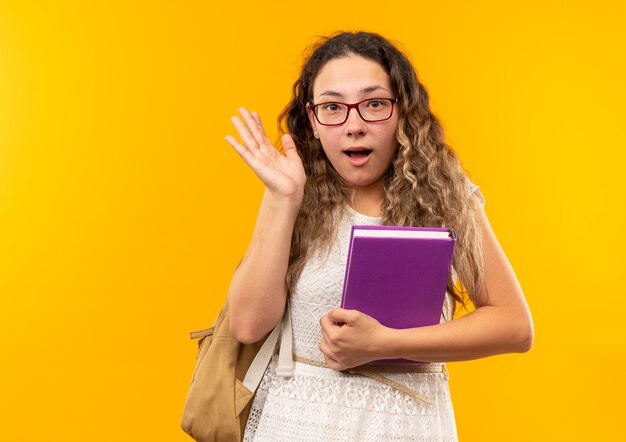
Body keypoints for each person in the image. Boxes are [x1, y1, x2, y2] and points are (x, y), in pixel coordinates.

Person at [224, 31, 533, 442]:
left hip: (406, 426)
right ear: (313, 121)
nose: (354, 126)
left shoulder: (444, 194)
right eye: (333, 107)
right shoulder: (291, 190)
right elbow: (247, 324)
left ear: (401, 112)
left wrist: (383, 343)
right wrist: (284, 200)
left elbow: (513, 325)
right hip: (296, 423)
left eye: (373, 104)